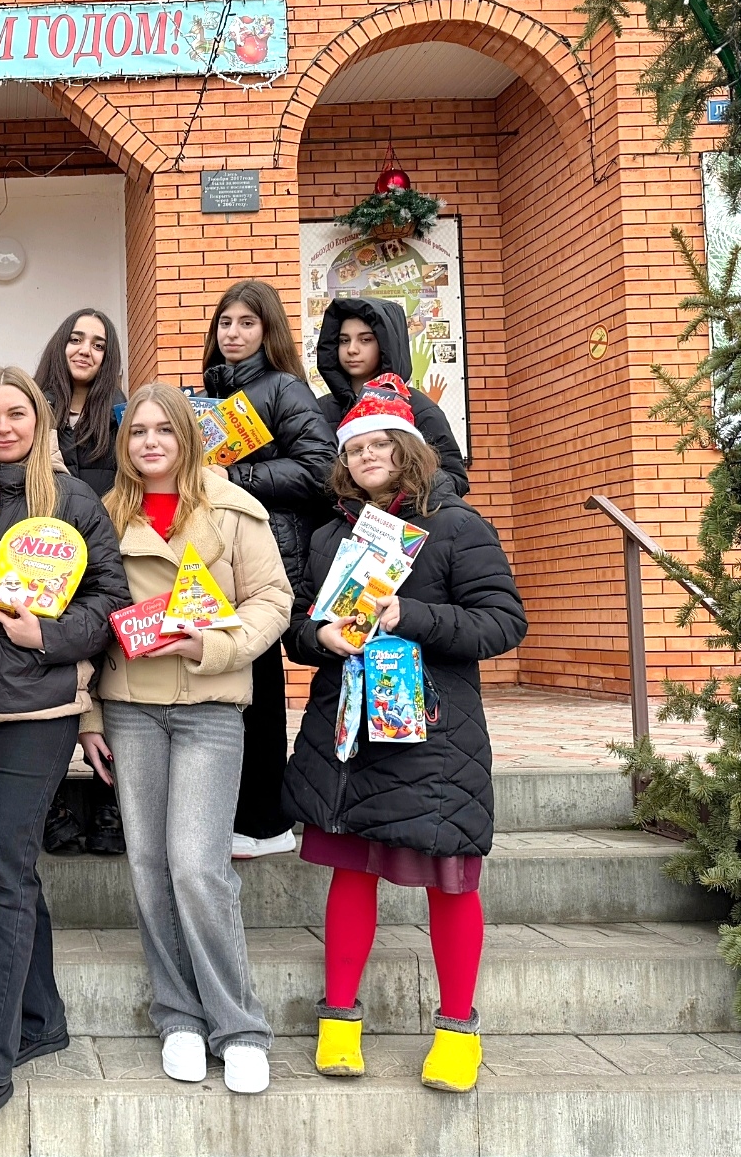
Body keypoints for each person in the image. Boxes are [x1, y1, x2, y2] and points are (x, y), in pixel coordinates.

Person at [282, 374, 526, 1095]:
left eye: (382, 444)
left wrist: (406, 617)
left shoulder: (456, 526)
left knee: (449, 877)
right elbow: (299, 624)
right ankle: (338, 1023)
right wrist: (319, 636)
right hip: (350, 731)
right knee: (351, 869)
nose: (368, 456)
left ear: (409, 450)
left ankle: (456, 1032)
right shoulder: (331, 535)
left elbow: (503, 622)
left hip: (433, 736)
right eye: (356, 447)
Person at [0, 367, 129, 1138]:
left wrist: (50, 635)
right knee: (3, 866)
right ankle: (40, 1017)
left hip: (38, 709)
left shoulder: (72, 501)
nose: (3, 426)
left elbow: (111, 601)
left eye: (17, 413)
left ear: (39, 421)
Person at [78, 383, 293, 1094]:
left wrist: (216, 645)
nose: (150, 442)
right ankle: (177, 1017)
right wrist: (87, 716)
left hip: (209, 705)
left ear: (187, 436)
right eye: (138, 431)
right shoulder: (105, 513)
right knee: (148, 865)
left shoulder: (234, 508)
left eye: (164, 430)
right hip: (130, 706)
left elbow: (273, 599)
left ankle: (239, 1025)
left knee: (198, 866)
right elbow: (86, 614)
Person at [201, 280, 335, 860]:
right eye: (225, 323)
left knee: (259, 685)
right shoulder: (208, 394)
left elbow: (322, 469)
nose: (233, 333)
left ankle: (265, 821)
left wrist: (237, 477)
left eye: (247, 323)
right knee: (232, 688)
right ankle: (235, 815)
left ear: (268, 330)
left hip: (270, 554)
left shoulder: (284, 388)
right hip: (218, 556)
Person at [32, 308, 128, 855]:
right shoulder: (33, 406)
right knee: (48, 676)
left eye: (98, 343)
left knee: (108, 678)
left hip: (105, 557)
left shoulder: (119, 415)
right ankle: (49, 803)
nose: (85, 350)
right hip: (42, 561)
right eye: (75, 338)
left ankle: (111, 800)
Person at [313, 297, 468, 495]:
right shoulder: (319, 410)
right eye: (344, 340)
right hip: (338, 514)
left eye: (365, 339)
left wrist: (400, 497)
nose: (352, 349)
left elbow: (454, 478)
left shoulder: (419, 408)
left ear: (387, 344)